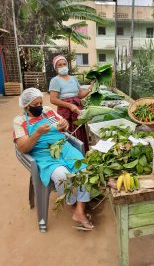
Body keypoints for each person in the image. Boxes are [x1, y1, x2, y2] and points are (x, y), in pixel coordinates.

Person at [13, 87, 94, 230]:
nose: (40, 107)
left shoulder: (47, 112)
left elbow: (62, 126)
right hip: (43, 154)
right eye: (36, 105)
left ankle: (80, 210)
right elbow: (23, 148)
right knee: (63, 176)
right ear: (26, 106)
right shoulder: (20, 121)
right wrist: (37, 133)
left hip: (63, 147)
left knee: (84, 170)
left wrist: (64, 125)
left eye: (40, 103)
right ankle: (72, 206)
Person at [49, 55, 95, 152]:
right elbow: (53, 99)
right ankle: (71, 155)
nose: (62, 67)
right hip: (65, 112)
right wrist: (69, 105)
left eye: (64, 64)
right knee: (68, 132)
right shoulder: (55, 80)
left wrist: (90, 88)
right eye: (59, 65)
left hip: (77, 110)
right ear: (55, 68)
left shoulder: (73, 79)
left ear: (67, 65)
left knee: (79, 132)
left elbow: (80, 94)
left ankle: (82, 153)